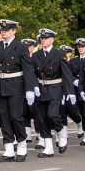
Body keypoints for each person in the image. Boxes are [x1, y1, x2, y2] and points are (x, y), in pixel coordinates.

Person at [0, 19, 36, 162]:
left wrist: (30, 89)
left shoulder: (20, 47)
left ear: (14, 31)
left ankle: (21, 145)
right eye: (2, 29)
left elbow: (28, 69)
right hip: (0, 86)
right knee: (4, 118)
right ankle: (8, 149)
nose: (3, 32)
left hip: (16, 86)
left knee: (16, 116)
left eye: (7, 30)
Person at [31, 29, 74, 158]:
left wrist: (70, 92)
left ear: (52, 40)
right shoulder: (36, 55)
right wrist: (34, 86)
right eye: (41, 39)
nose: (43, 40)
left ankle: (60, 132)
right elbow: (32, 73)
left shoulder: (59, 54)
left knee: (52, 115)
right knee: (42, 119)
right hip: (41, 89)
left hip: (55, 88)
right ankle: (48, 148)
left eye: (46, 38)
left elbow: (66, 74)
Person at [71, 38, 85, 146]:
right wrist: (74, 80)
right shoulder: (73, 61)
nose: (80, 48)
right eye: (79, 47)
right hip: (77, 91)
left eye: (83, 46)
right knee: (83, 114)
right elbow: (68, 73)